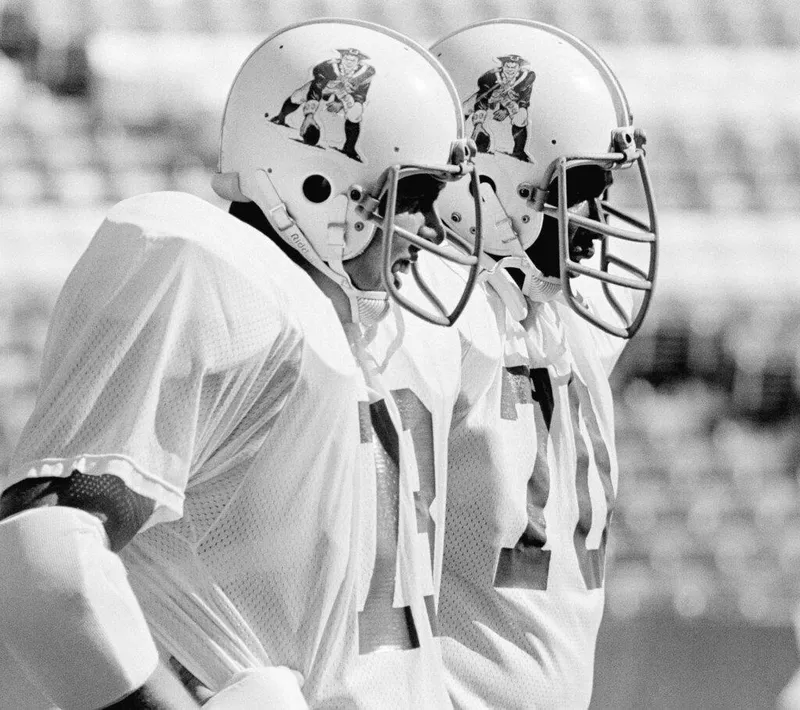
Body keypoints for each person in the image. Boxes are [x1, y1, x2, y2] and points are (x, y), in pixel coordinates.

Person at [0, 18, 482, 710]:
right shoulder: (213, 268)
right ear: (322, 185)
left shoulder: (357, 332)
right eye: (414, 199)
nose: (432, 230)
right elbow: (45, 553)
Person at [428, 19, 660, 709]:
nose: (598, 215)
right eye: (582, 186)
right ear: (490, 183)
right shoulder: (440, 323)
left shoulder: (564, 316)